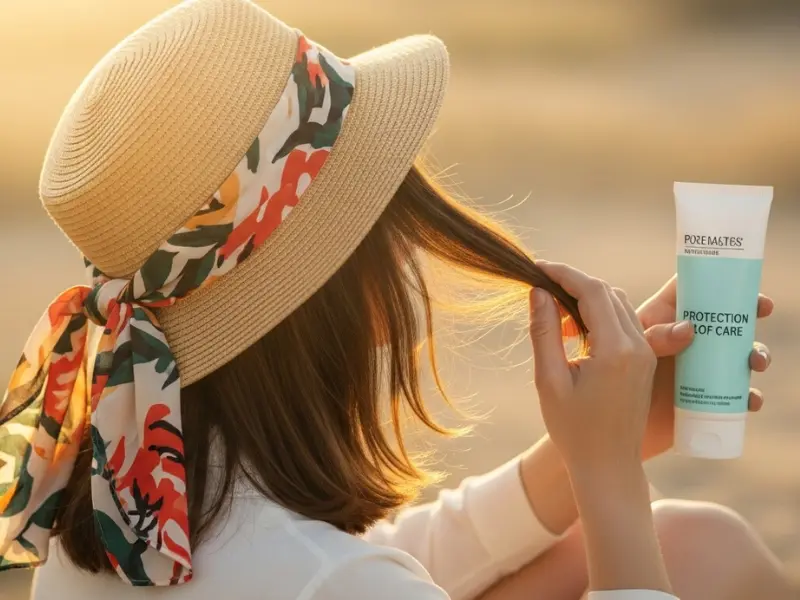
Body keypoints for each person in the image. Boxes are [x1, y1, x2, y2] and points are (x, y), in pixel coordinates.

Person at [0, 1, 793, 599]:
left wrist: (573, 464)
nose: (410, 251)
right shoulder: (335, 583)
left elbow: (355, 562)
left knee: (693, 544)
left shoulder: (115, 499)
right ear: (338, 281)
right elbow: (347, 578)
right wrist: (612, 479)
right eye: (382, 214)